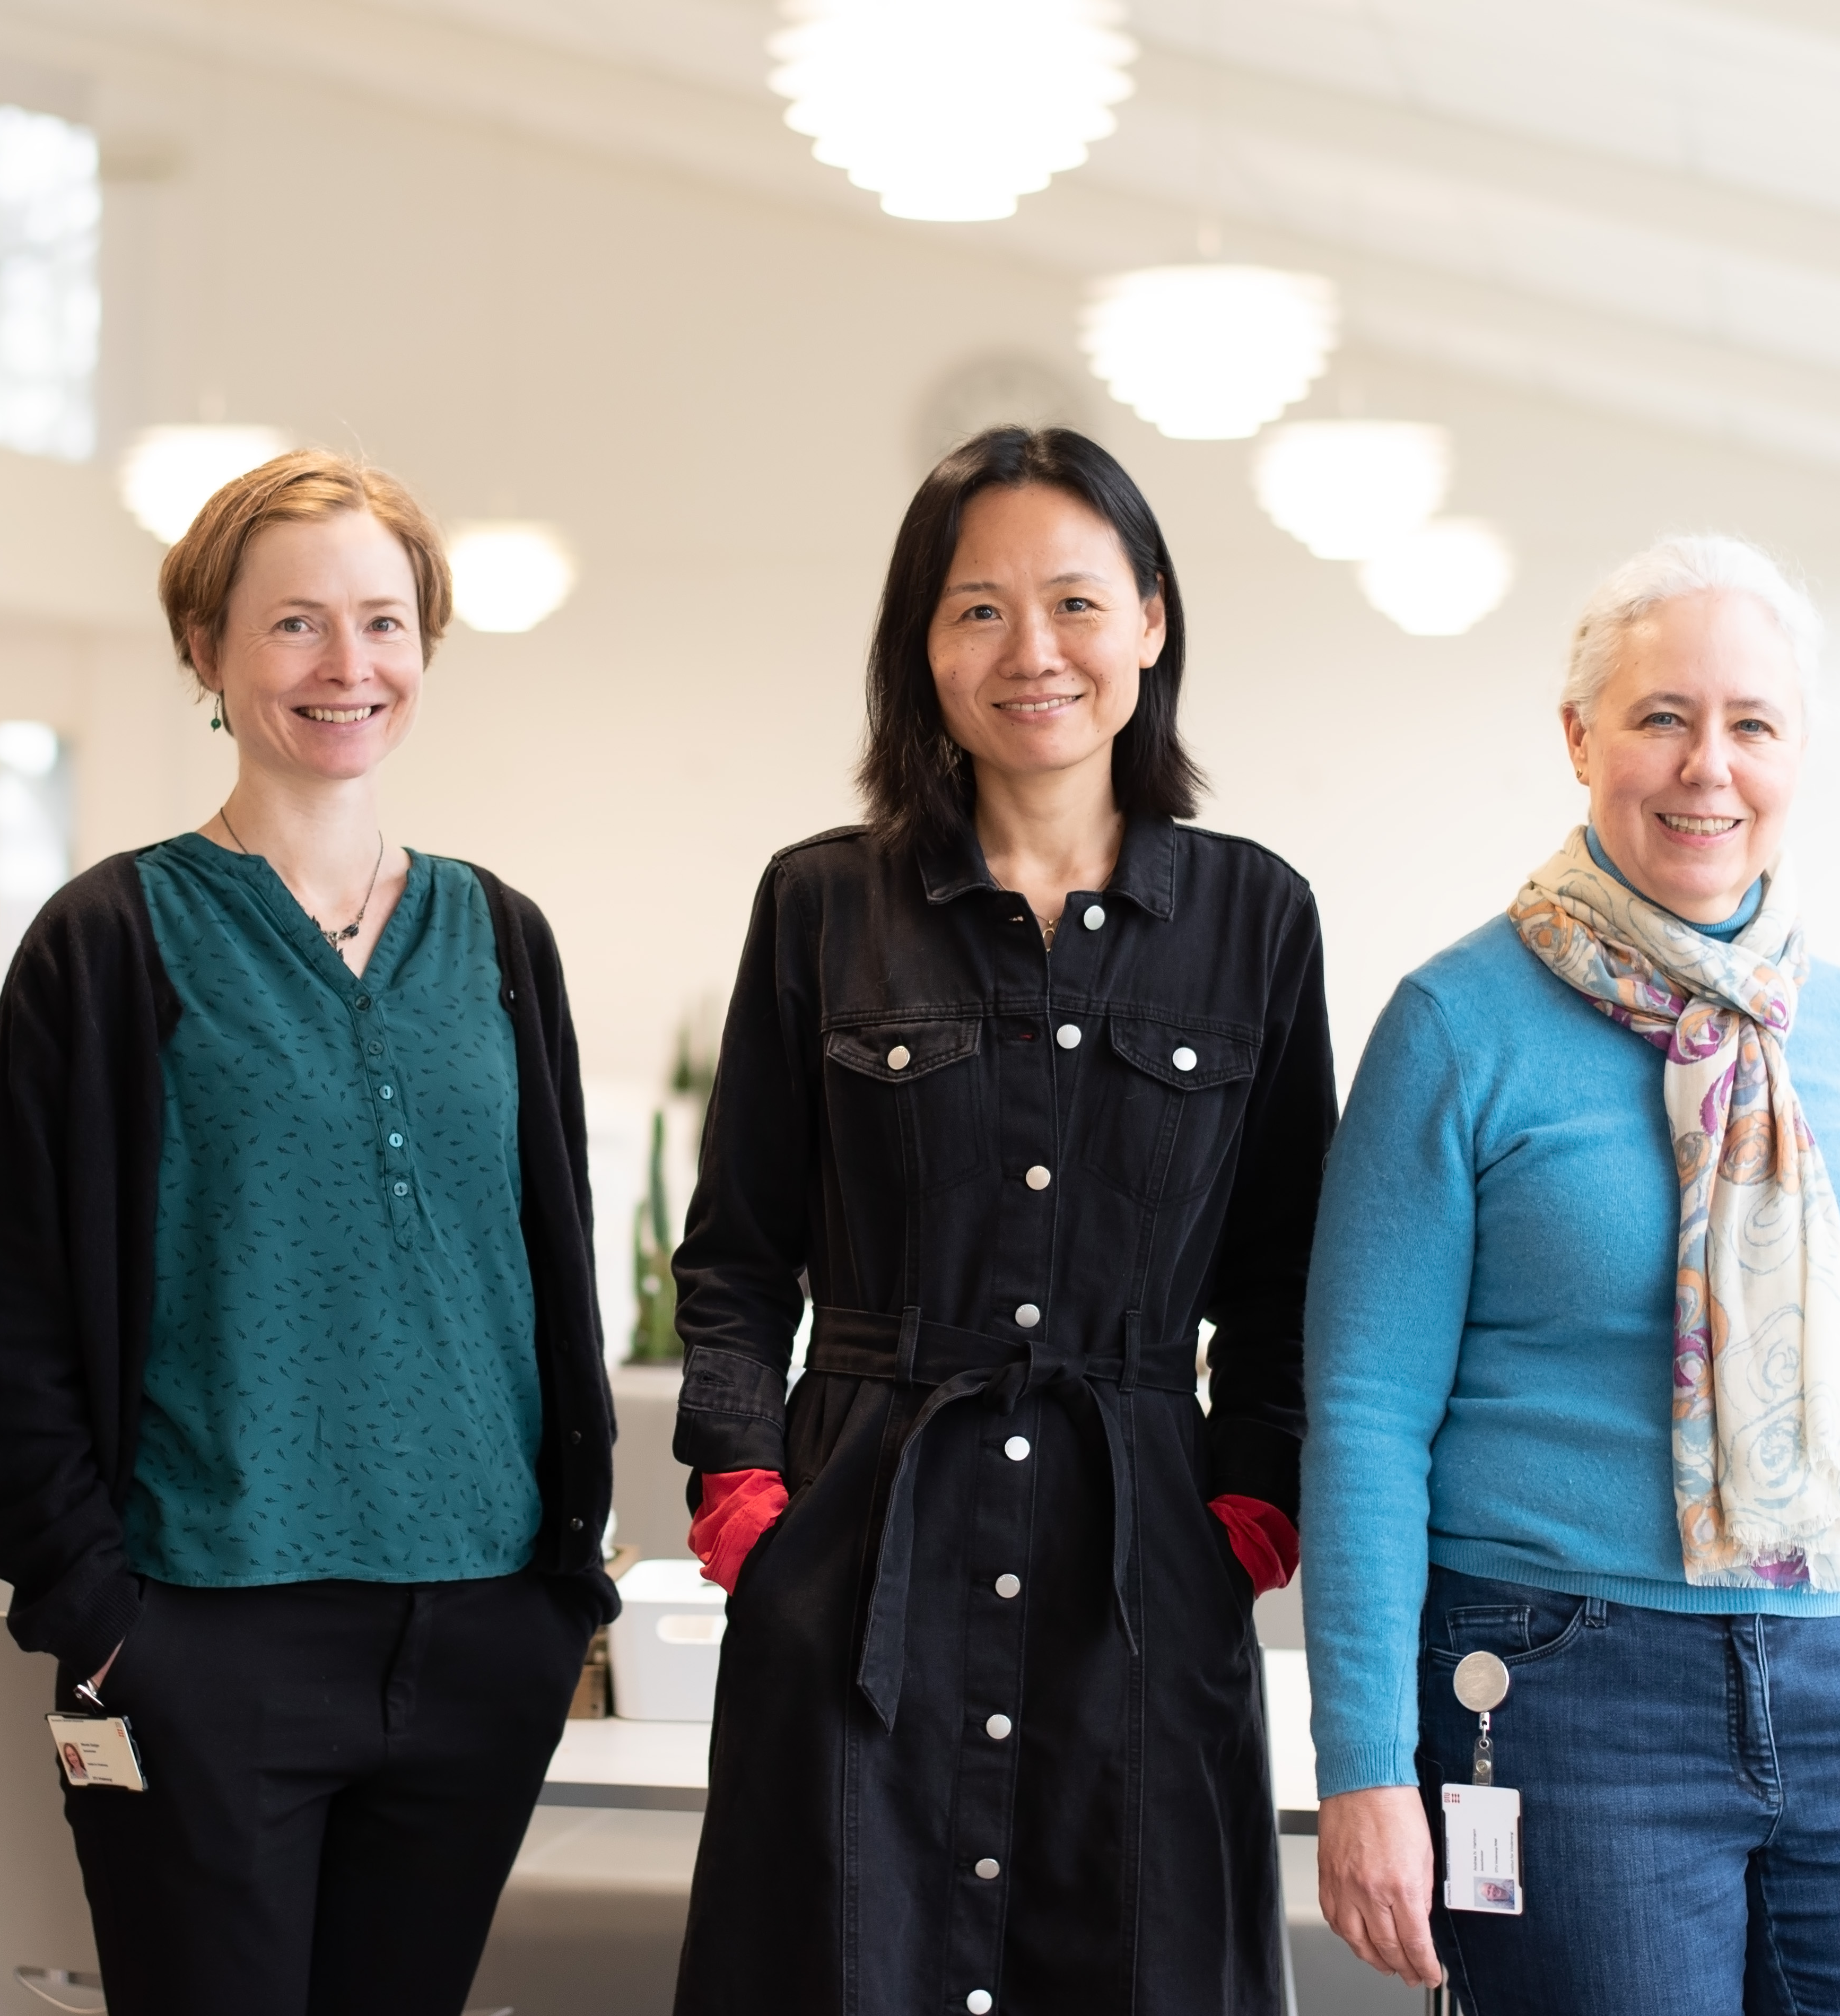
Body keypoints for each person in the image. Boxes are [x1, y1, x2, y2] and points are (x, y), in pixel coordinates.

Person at [669, 427, 1335, 2014]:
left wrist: (1245, 1509)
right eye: (976, 610)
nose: (1030, 652)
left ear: (1152, 621)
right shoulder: (822, 903)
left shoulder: (1254, 919)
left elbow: (1288, 1269)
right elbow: (736, 1254)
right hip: (860, 1556)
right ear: (920, 645)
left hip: (1142, 1569)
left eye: (1075, 604)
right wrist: (743, 1499)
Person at [0, 449, 616, 2016]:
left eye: (382, 624)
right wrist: (104, 1623)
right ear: (207, 650)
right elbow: (21, 1319)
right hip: (203, 1637)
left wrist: (558, 1590)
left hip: (478, 1634)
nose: (347, 667)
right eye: (295, 625)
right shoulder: (110, 941)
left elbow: (553, 1268)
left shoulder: (500, 935)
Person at [1303, 535, 1840, 2013]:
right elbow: (1364, 1417)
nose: (1707, 768)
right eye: (1660, 717)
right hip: (1563, 1701)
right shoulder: (1454, 1025)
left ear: (1794, 751)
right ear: (1577, 737)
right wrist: (1362, 1766)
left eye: (1750, 724)